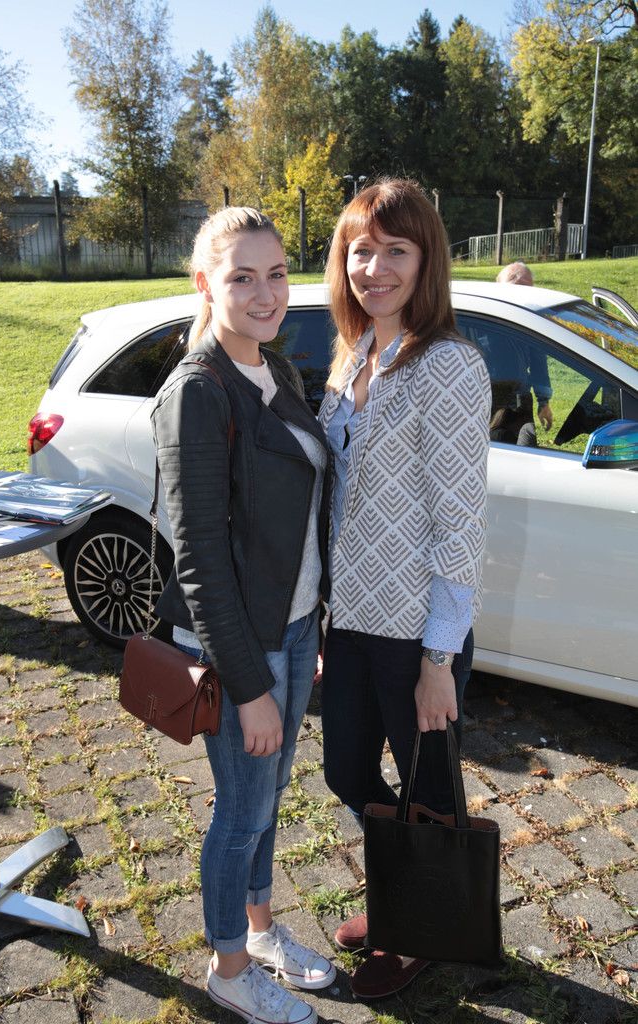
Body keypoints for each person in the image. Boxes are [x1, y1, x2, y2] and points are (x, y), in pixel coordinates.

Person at [151, 207, 335, 1024]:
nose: (264, 293)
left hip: (292, 630)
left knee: (269, 793)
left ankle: (260, 933)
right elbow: (198, 561)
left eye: (275, 274)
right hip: (239, 646)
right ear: (205, 285)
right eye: (241, 277)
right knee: (239, 814)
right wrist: (249, 682)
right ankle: (229, 970)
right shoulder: (197, 393)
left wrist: (310, 630)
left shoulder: (277, 370)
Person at [318, 179, 491, 1000]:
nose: (374, 266)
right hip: (348, 620)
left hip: (414, 630)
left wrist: (437, 657)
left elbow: (459, 523)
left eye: (395, 250)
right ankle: (403, 887)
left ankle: (422, 927)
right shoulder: (352, 356)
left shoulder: (448, 366)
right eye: (360, 248)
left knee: (427, 795)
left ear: (425, 262)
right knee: (347, 773)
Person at [491, 261, 553, 443]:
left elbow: (538, 362)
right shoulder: (483, 315)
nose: (522, 295)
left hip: (519, 403)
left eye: (527, 289)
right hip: (485, 403)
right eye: (517, 287)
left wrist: (544, 402)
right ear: (499, 286)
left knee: (525, 456)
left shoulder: (527, 319)